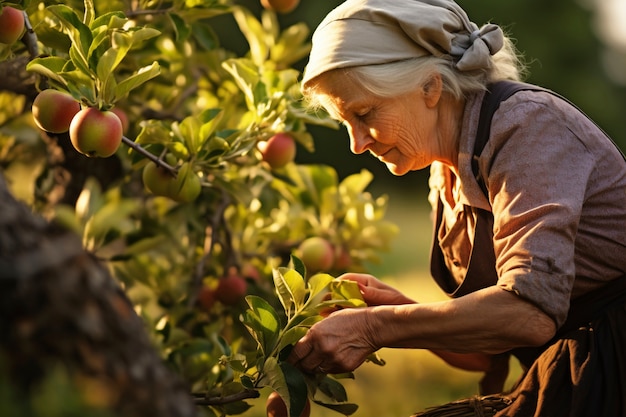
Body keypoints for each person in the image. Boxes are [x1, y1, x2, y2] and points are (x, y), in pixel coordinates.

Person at [287, 0, 626, 415]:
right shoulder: (446, 172)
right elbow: (487, 352)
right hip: (571, 371)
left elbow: (528, 314)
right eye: (346, 123)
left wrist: (376, 327)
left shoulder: (527, 127)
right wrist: (392, 307)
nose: (357, 144)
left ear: (431, 87)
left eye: (364, 113)